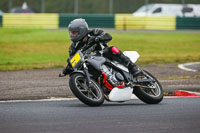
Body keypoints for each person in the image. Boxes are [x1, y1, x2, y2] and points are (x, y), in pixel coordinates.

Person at [61, 18, 141, 76]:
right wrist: (66, 69)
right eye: (71, 33)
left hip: (106, 56)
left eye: (75, 33)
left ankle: (133, 67)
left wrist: (98, 38)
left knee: (111, 49)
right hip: (92, 62)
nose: (72, 35)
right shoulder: (73, 47)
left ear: (82, 30)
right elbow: (73, 60)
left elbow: (108, 36)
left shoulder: (94, 32)